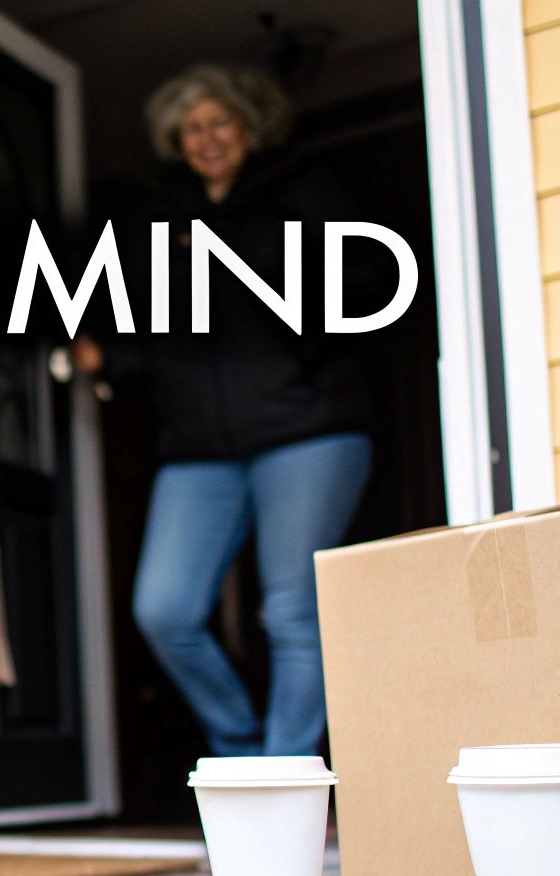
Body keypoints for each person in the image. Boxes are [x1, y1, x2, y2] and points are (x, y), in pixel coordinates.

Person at [74, 64, 373, 758]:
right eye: (192, 128)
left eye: (220, 122)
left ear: (249, 127)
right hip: (200, 446)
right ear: (176, 141)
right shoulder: (162, 218)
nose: (207, 139)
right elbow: (154, 336)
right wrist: (106, 359)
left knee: (293, 612)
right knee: (165, 609)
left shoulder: (301, 191)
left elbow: (356, 290)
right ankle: (240, 750)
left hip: (307, 429)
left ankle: (290, 773)